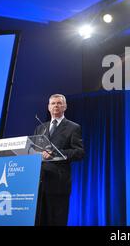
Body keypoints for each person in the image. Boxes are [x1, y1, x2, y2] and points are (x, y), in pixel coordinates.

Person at [33, 94, 84, 226]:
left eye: (59, 103)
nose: (56, 105)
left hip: (59, 183)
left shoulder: (73, 127)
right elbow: (33, 151)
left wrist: (55, 154)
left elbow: (79, 153)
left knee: (57, 222)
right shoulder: (40, 128)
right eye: (53, 103)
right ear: (48, 107)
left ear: (65, 106)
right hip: (40, 183)